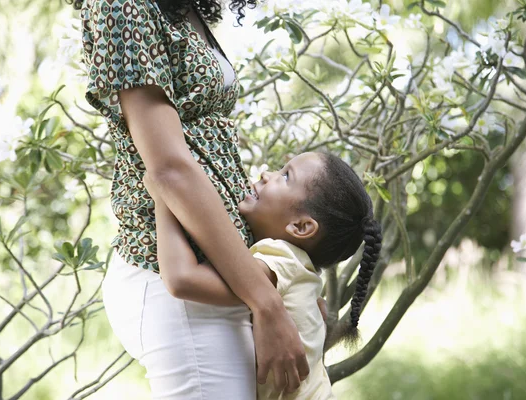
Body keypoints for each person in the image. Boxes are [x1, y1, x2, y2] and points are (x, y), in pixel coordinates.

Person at [78, 0, 312, 398]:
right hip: (174, 276)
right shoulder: (122, 5)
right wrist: (268, 305)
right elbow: (168, 169)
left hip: (225, 273)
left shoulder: (177, 7)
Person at [144, 151, 383, 400]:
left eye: (285, 176)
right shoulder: (301, 272)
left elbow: (182, 280)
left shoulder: (281, 260)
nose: (267, 174)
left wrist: (164, 197)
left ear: (301, 227)